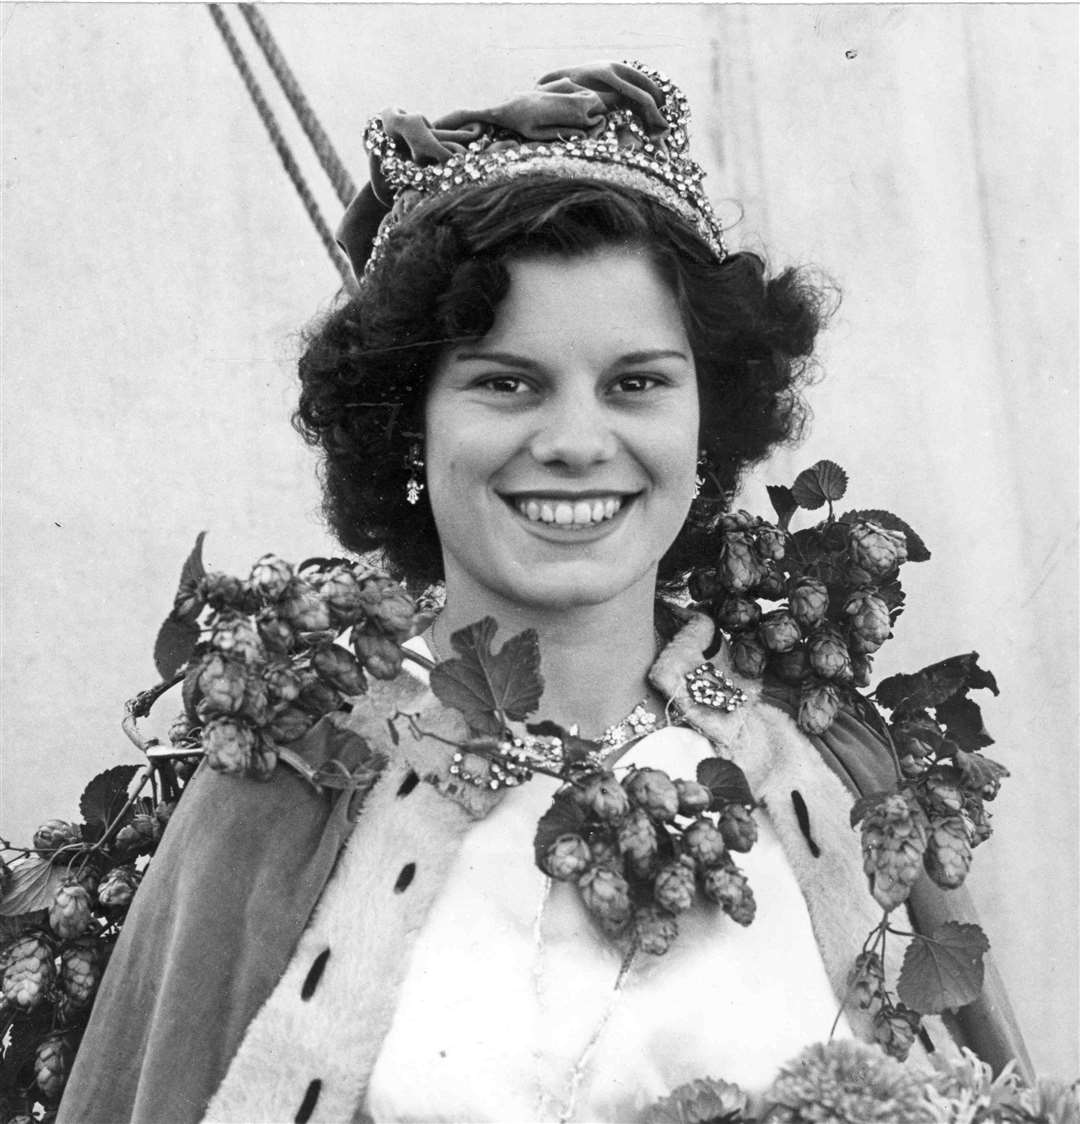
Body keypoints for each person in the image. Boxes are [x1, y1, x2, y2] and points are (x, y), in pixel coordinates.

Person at [58, 60, 1030, 1124]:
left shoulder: (830, 775)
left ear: (710, 422)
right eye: (505, 381)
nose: (574, 442)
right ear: (410, 426)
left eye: (636, 382)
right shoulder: (287, 788)